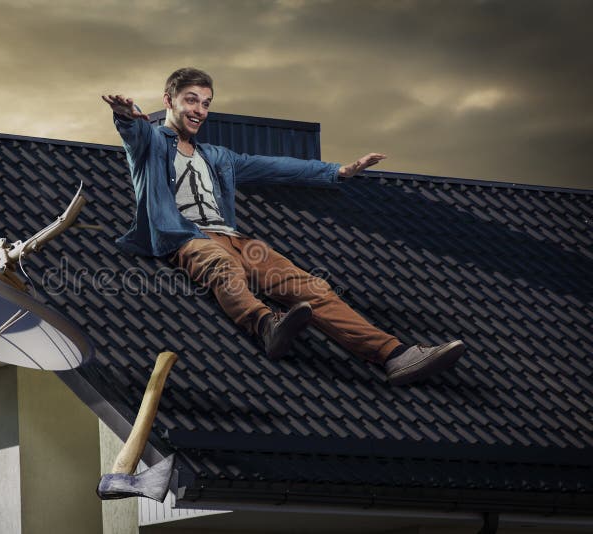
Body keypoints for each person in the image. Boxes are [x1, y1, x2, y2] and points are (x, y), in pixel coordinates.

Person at [102, 67, 464, 386]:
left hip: (235, 238)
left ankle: (395, 355)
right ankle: (266, 325)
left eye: (206, 103)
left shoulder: (217, 157)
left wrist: (336, 171)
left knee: (310, 286)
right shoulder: (151, 142)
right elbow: (135, 134)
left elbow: (276, 165)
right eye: (191, 101)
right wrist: (126, 117)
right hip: (185, 239)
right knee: (222, 268)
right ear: (168, 100)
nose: (199, 110)